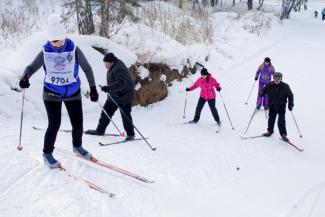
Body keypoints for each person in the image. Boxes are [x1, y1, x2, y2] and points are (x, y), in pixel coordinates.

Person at [19, 14, 99, 169]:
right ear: (49, 39)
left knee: (78, 124)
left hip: (73, 92)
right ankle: (47, 154)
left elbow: (87, 68)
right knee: (54, 124)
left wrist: (93, 88)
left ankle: (77, 146)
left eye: (60, 40)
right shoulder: (45, 52)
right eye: (54, 41)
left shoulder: (74, 50)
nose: (58, 44)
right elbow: (30, 68)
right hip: (51, 93)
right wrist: (25, 78)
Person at [85, 53, 135, 141]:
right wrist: (108, 88)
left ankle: (131, 134)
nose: (105, 66)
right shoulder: (113, 66)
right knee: (106, 113)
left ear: (111, 62)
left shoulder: (119, 69)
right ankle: (100, 130)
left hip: (124, 96)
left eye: (106, 64)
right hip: (114, 95)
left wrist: (109, 88)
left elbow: (121, 82)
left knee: (125, 115)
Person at [260, 72, 294, 142]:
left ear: (281, 79)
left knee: (281, 121)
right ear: (273, 78)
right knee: (271, 119)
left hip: (281, 106)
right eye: (275, 78)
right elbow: (264, 90)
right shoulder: (269, 85)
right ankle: (270, 131)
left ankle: (283, 134)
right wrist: (261, 93)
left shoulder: (285, 86)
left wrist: (290, 104)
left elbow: (290, 96)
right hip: (272, 106)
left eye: (278, 78)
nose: (277, 80)